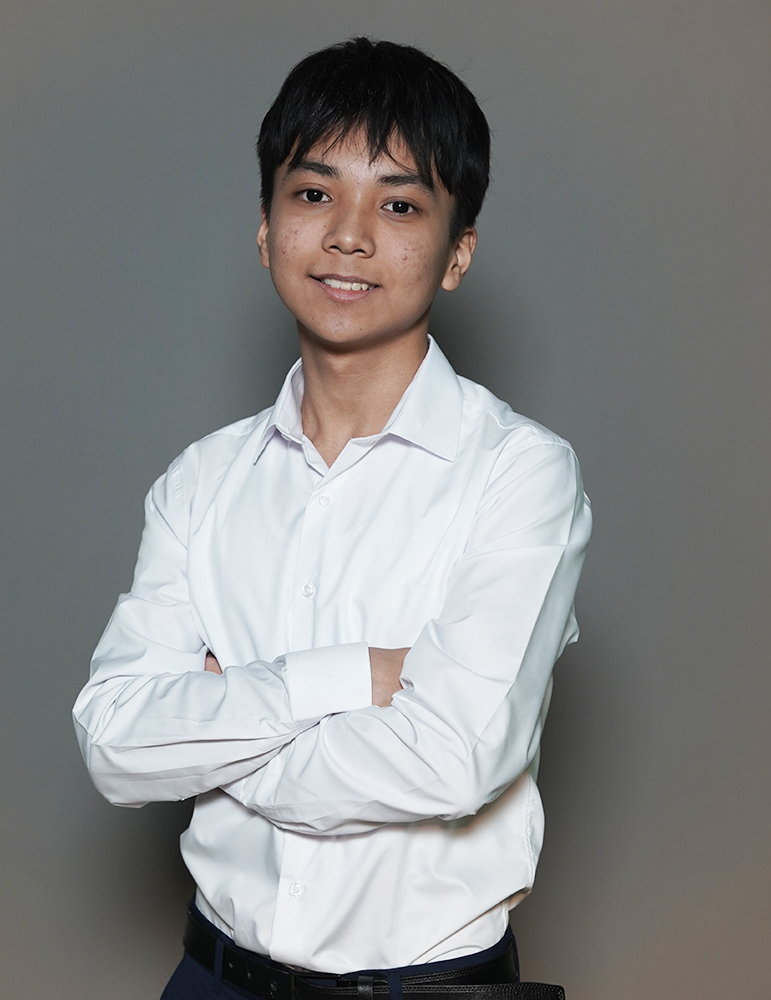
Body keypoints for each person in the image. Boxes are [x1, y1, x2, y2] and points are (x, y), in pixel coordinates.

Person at [73, 37, 592, 1000]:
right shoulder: (201, 481)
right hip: (211, 980)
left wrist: (208, 745)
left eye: (399, 205)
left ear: (457, 253)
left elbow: (453, 758)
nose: (348, 235)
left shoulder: (519, 474)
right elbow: (112, 742)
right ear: (266, 229)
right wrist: (352, 676)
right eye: (313, 193)